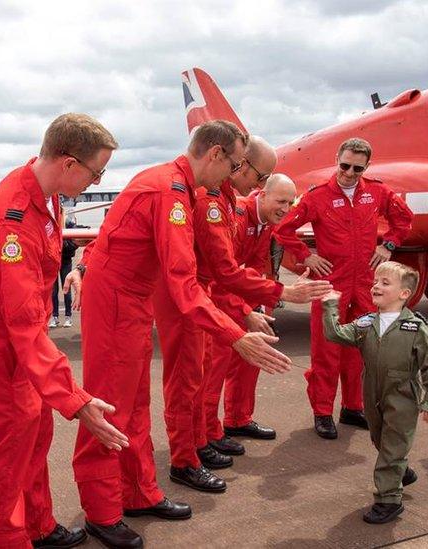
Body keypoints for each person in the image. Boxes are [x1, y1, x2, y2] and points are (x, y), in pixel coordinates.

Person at [68, 120, 295, 549]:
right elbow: (183, 282)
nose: (233, 175)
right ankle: (101, 512)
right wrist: (235, 333)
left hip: (131, 301)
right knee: (107, 406)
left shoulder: (177, 187)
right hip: (116, 303)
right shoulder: (170, 191)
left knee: (135, 405)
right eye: (233, 165)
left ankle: (138, 492)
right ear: (214, 154)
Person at [0, 113, 128, 549]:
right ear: (69, 163)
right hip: (4, 347)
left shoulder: (48, 197)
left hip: (27, 339)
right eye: (97, 171)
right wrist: (75, 399)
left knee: (36, 437)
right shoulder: (13, 221)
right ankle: (5, 539)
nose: (97, 182)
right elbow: (19, 324)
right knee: (10, 453)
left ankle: (37, 525)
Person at [154, 136, 330, 492]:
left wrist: (257, 304)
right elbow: (224, 272)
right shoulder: (216, 202)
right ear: (238, 164)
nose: (259, 184)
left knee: (210, 374)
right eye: (260, 178)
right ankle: (191, 451)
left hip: (215, 298)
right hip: (201, 299)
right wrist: (277, 296)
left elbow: (247, 267)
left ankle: (206, 439)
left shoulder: (233, 203)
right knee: (195, 378)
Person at [275, 137, 414, 439]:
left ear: (367, 167)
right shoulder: (317, 196)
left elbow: (404, 219)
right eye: (345, 165)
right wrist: (305, 255)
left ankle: (353, 406)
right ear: (337, 159)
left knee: (362, 348)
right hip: (330, 285)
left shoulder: (377, 192)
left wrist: (388, 244)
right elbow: (283, 228)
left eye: (357, 169)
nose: (350, 173)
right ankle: (323, 411)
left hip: (365, 284)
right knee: (326, 350)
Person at [322, 261, 428, 524]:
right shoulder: (366, 324)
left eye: (385, 283)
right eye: (375, 282)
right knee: (380, 441)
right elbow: (335, 335)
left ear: (404, 294)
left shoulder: (417, 328)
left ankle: (388, 500)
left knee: (391, 447)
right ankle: (399, 469)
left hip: (402, 395)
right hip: (372, 392)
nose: (376, 286)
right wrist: (330, 305)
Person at [204, 172, 300, 454]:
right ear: (263, 194)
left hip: (241, 298)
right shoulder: (236, 215)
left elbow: (256, 266)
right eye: (281, 200)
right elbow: (223, 275)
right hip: (217, 301)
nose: (286, 208)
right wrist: (246, 311)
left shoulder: (265, 223)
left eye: (291, 203)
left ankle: (237, 419)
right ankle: (208, 433)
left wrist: (257, 308)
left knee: (249, 361)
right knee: (214, 369)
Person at [50, 217, 79, 328]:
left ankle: (68, 316)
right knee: (53, 292)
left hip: (65, 262)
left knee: (66, 290)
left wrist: (64, 245)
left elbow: (74, 244)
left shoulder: (69, 223)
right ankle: (55, 317)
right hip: (53, 262)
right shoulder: (50, 225)